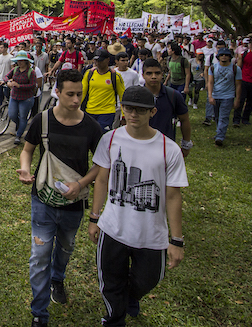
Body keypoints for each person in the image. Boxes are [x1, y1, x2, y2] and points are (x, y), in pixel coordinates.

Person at [88, 86, 188, 327]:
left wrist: (176, 240)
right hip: (113, 228)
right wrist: (94, 217)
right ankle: (114, 319)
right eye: (129, 108)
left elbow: (173, 196)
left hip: (151, 235)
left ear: (152, 112)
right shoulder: (110, 139)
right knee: (110, 282)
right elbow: (102, 179)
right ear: (123, 109)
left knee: (148, 279)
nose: (134, 114)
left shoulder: (168, 149)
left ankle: (131, 296)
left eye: (141, 110)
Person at [17, 70, 102, 326]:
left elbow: (100, 164)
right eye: (71, 94)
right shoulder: (42, 121)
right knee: (39, 256)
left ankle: (58, 277)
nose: (76, 100)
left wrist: (81, 184)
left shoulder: (91, 126)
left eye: (80, 94)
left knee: (65, 247)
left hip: (74, 204)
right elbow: (27, 150)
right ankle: (39, 314)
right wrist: (25, 168)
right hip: (42, 200)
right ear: (58, 92)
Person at [140, 59, 193, 155]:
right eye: (149, 73)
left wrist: (186, 144)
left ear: (162, 74)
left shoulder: (173, 95)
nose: (153, 77)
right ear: (143, 75)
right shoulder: (136, 96)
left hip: (166, 147)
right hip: (140, 145)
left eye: (157, 73)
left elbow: (184, 119)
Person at [82, 50, 126, 133]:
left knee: (102, 136)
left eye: (101, 61)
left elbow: (122, 95)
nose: (98, 63)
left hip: (107, 112)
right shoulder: (89, 74)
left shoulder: (115, 76)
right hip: (90, 111)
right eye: (96, 60)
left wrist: (123, 115)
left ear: (107, 60)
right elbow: (82, 92)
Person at [206, 48, 242, 147]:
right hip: (216, 95)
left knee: (224, 116)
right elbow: (210, 82)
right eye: (222, 55)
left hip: (228, 95)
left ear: (230, 57)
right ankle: (219, 131)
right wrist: (210, 95)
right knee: (217, 116)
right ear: (218, 57)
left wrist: (237, 98)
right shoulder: (213, 68)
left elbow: (238, 84)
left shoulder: (235, 69)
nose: (224, 57)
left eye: (226, 55)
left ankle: (220, 137)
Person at [4, 51, 38, 144]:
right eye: (18, 61)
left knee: (23, 117)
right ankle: (21, 125)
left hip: (26, 98)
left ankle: (18, 135)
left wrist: (19, 86)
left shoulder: (31, 72)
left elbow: (32, 85)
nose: (20, 63)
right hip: (14, 96)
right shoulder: (15, 69)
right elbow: (6, 76)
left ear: (26, 62)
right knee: (12, 115)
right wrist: (7, 82)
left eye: (22, 61)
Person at [232, 38, 252, 127]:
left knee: (250, 101)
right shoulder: (244, 54)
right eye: (250, 43)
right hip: (244, 80)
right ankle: (236, 119)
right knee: (240, 99)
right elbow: (239, 66)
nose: (251, 45)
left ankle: (245, 119)